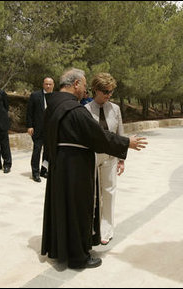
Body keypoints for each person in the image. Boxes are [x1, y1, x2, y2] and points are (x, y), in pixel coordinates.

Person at [41, 68, 147, 269]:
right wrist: (126, 143)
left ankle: (59, 249)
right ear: (76, 84)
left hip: (60, 165)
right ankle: (78, 257)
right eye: (83, 84)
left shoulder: (53, 106)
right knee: (78, 209)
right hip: (75, 168)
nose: (84, 90)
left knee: (62, 209)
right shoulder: (75, 110)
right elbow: (97, 136)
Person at [84, 72, 124, 246]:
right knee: (93, 196)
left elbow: (120, 134)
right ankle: (93, 227)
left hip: (110, 157)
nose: (109, 95)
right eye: (106, 92)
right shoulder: (85, 110)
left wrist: (121, 159)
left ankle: (107, 229)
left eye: (111, 92)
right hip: (92, 157)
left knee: (109, 192)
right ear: (96, 90)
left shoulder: (115, 109)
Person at [26, 77, 54, 182]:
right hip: (37, 129)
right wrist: (29, 126)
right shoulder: (35, 96)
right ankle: (35, 172)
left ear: (53, 85)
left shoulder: (55, 96)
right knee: (37, 151)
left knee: (47, 152)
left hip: (50, 130)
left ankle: (44, 170)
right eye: (46, 84)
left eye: (50, 84)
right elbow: (29, 112)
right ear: (43, 84)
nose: (48, 86)